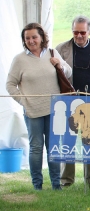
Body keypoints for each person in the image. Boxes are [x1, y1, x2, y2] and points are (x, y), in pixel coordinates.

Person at [6, 23, 72, 191]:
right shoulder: (19, 60)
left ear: (42, 37)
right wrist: (24, 101)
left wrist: (59, 65)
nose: (31, 41)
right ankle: (38, 185)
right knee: (36, 148)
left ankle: (56, 185)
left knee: (53, 148)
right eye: (27, 38)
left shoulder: (52, 53)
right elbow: (10, 85)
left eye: (34, 37)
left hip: (54, 109)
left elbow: (68, 72)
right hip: (33, 111)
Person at [55, 15, 90, 187]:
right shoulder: (61, 49)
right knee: (68, 140)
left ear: (89, 31)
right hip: (69, 100)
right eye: (76, 32)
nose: (79, 36)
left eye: (82, 32)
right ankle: (66, 180)